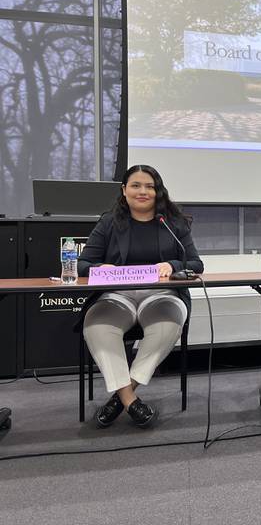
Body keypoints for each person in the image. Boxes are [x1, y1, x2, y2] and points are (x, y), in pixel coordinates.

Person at [78, 165, 204, 428]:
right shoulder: (109, 222)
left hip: (162, 294)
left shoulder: (173, 223)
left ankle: (121, 396)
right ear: (124, 191)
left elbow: (195, 263)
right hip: (116, 294)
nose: (143, 192)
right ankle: (129, 399)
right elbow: (82, 265)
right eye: (136, 185)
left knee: (167, 327)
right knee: (97, 326)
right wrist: (99, 268)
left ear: (158, 191)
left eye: (150, 186)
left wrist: (173, 265)